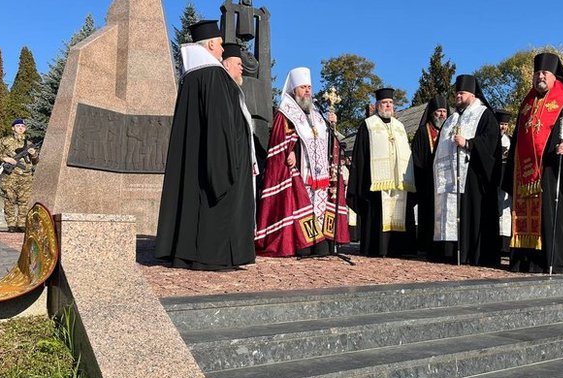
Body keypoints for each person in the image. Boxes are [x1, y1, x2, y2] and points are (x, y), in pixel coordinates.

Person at [155, 20, 258, 271]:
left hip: (196, 161)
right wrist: (226, 165)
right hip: (217, 161)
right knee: (211, 209)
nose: (223, 50)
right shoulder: (214, 76)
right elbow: (220, 126)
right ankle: (213, 256)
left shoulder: (192, 76)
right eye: (221, 45)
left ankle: (186, 252)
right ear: (211, 43)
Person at [502, 53, 563, 274]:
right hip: (525, 174)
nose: (540, 76)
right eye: (537, 73)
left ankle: (553, 261)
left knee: (550, 216)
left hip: (552, 169)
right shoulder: (526, 103)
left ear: (554, 76)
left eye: (545, 73)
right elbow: (518, 138)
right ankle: (525, 261)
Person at [254, 67, 349, 257]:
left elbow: (327, 142)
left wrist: (331, 126)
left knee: (321, 207)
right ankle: (303, 245)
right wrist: (292, 151)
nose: (307, 91)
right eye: (303, 87)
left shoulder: (317, 115)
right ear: (293, 90)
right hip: (301, 173)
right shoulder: (285, 113)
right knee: (304, 209)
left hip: (321, 175)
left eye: (309, 87)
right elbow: (282, 141)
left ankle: (322, 245)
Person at [433, 75, 501, 266]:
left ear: (472, 94)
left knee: (473, 213)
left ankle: (474, 253)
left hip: (473, 174)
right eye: (456, 93)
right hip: (450, 177)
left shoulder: (484, 114)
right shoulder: (452, 119)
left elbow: (490, 141)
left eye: (462, 93)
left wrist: (468, 143)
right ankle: (451, 252)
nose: (458, 96)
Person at [347, 87, 417, 257]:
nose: (388, 106)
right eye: (384, 103)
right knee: (377, 213)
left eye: (391, 103)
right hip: (376, 182)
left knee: (401, 210)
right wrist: (362, 179)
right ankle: (378, 248)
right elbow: (360, 155)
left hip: (399, 182)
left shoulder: (400, 126)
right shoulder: (368, 125)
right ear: (377, 105)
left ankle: (400, 248)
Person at [410, 95, 448, 254]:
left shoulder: (448, 130)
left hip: (444, 180)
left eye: (444, 111)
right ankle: (426, 244)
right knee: (427, 213)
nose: (442, 115)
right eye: (439, 111)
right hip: (427, 180)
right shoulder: (422, 132)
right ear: (432, 113)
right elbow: (417, 157)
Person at [0, 119, 38, 232]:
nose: (20, 128)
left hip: (26, 176)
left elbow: (35, 161)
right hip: (10, 175)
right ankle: (11, 224)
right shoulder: (5, 141)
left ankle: (21, 224)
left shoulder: (29, 143)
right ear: (13, 128)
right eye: (18, 126)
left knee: (24, 201)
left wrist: (33, 154)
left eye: (22, 126)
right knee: (10, 199)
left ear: (25, 129)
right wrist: (5, 158)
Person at [496, 109, 513, 258]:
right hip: (494, 180)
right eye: (501, 124)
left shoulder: (510, 140)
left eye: (505, 124)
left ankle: (506, 246)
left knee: (506, 213)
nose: (503, 127)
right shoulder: (492, 139)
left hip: (506, 180)